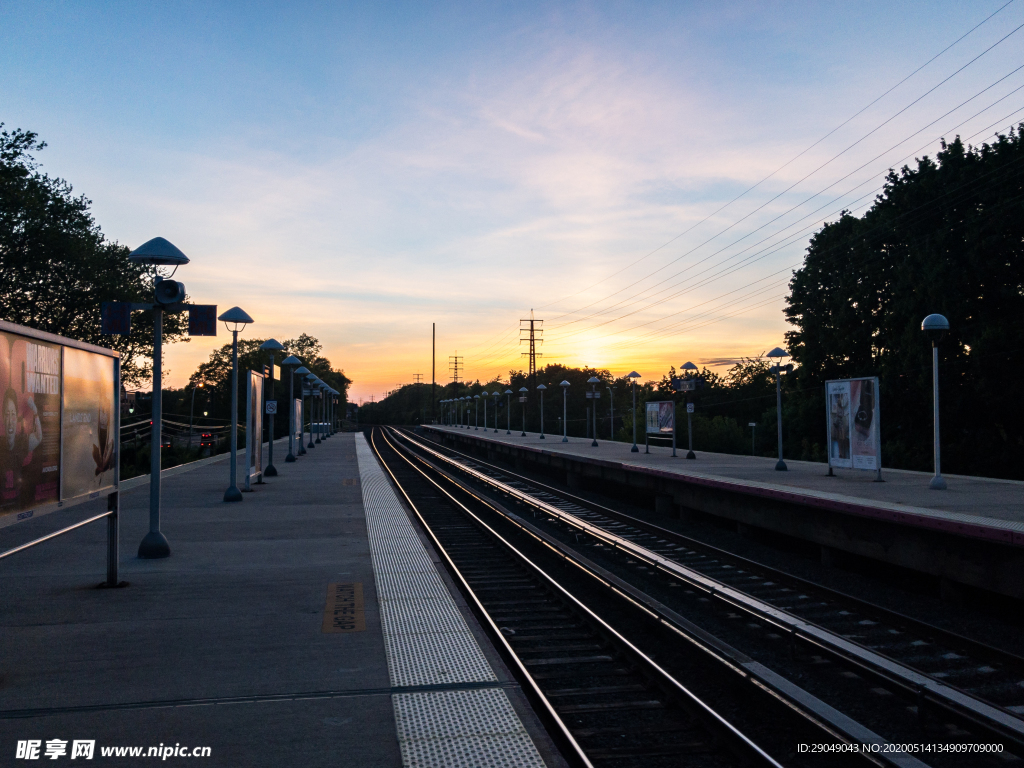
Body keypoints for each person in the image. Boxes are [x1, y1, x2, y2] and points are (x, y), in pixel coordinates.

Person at [2, 389, 42, 508]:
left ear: (17, 418)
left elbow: (38, 437)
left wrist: (35, 411)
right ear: (3, 418)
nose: (10, 421)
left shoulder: (21, 442)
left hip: (16, 504)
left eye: (13, 414)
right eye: (7, 415)